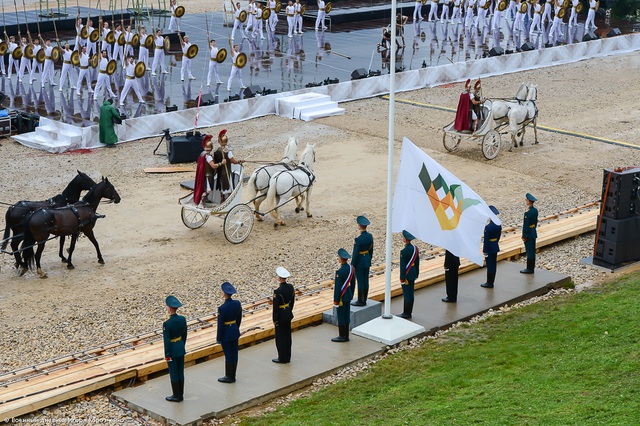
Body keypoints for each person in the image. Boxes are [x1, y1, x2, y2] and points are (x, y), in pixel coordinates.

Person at [163, 295, 187, 402]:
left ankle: (176, 395)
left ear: (169, 308)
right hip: (180, 347)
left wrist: (167, 354)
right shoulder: (182, 319)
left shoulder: (167, 324)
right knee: (180, 371)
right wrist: (182, 345)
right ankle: (181, 394)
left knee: (174, 373)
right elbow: (184, 335)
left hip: (172, 349)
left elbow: (167, 341)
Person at [217, 281, 242, 383]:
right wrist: (236, 327)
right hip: (234, 330)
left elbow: (220, 325)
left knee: (228, 355)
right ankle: (233, 375)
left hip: (226, 333)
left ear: (224, 294)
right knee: (234, 353)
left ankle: (229, 376)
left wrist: (219, 337)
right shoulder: (237, 304)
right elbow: (239, 318)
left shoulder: (222, 308)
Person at [212, 129, 244, 201]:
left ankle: (222, 199)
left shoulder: (215, 151)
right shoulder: (228, 152)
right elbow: (234, 161)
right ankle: (230, 200)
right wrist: (240, 161)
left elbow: (214, 161)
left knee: (221, 186)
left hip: (219, 172)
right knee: (228, 186)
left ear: (219, 141)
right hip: (226, 172)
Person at [272, 267, 295, 363]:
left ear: (280, 278)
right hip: (288, 313)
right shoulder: (290, 287)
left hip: (281, 315)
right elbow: (292, 301)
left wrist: (275, 319)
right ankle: (288, 356)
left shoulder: (278, 291)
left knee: (280, 338)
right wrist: (289, 310)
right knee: (287, 336)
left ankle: (282, 357)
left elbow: (276, 307)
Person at [332, 248, 354, 343]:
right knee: (346, 315)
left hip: (341, 297)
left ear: (341, 259)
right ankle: (347, 335)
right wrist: (351, 294)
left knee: (341, 316)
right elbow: (353, 283)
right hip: (348, 295)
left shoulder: (339, 272)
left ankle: (342, 335)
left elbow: (337, 288)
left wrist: (336, 300)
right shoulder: (351, 269)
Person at [351, 215, 373, 307]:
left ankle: (361, 300)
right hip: (367, 259)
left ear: (359, 226)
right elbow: (371, 250)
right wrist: (369, 258)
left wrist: (352, 265)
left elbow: (355, 254)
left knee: (360, 281)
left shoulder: (358, 239)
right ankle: (365, 298)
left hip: (360, 261)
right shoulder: (370, 236)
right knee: (365, 280)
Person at [398, 230, 420, 319]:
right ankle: (409, 311)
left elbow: (402, 267)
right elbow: (417, 262)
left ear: (405, 239)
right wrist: (417, 273)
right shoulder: (415, 249)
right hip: (413, 272)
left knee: (407, 294)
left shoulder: (404, 251)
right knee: (411, 293)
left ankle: (406, 313)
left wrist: (402, 278)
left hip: (406, 275)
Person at [481, 205, 502, 288]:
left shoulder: (488, 227)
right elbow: (498, 237)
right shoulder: (498, 225)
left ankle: (489, 282)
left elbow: (486, 240)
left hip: (489, 247)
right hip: (495, 246)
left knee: (489, 265)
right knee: (493, 265)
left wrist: (484, 250)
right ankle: (491, 281)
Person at [520, 193, 538, 274]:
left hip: (529, 233)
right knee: (532, 251)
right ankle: (531, 267)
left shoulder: (528, 213)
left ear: (528, 201)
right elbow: (535, 223)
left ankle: (529, 268)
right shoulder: (535, 211)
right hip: (533, 231)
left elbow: (526, 226)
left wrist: (524, 235)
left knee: (529, 251)